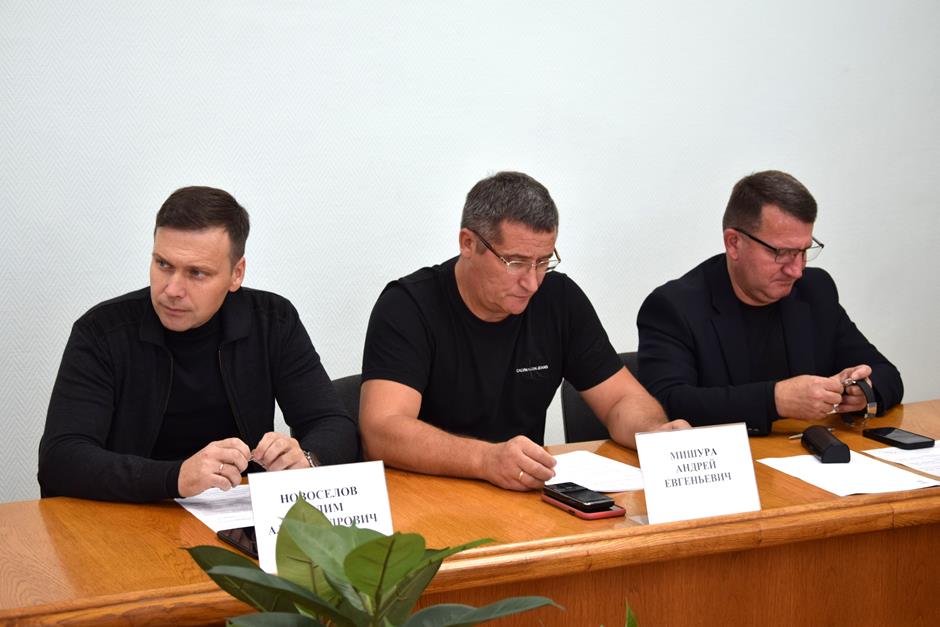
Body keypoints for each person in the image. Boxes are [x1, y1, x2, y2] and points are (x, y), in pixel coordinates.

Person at [360, 171, 688, 490]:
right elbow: (382, 430)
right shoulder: (408, 306)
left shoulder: (559, 300)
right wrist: (485, 459)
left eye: (543, 262)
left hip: (523, 495)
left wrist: (653, 433)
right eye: (515, 263)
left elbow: (620, 399)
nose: (531, 283)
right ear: (468, 243)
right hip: (427, 496)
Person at [38, 186, 359, 502]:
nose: (172, 289)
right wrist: (176, 477)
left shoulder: (273, 321)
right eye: (163, 264)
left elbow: (333, 424)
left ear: (236, 274)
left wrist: (307, 459)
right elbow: (61, 459)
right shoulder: (102, 332)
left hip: (236, 519)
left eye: (197, 273)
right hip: (128, 515)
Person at [637, 170, 903, 435]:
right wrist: (775, 400)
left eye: (803, 251)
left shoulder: (814, 290)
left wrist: (862, 392)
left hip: (808, 454)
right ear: (734, 243)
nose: (796, 270)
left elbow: (887, 374)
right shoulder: (674, 307)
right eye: (782, 253)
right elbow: (667, 405)